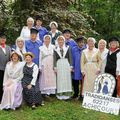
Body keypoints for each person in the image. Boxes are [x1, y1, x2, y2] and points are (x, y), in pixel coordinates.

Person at [54, 35, 72, 100]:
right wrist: (55, 67)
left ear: (64, 41)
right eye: (59, 40)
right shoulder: (55, 48)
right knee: (60, 78)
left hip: (66, 63)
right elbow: (54, 58)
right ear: (57, 41)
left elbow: (70, 57)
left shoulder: (67, 47)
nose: (60, 41)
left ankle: (67, 93)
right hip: (59, 64)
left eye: (62, 40)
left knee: (66, 78)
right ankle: (60, 93)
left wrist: (71, 66)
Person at [0, 32, 11, 103]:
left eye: (4, 38)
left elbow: (10, 58)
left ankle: (6, 98)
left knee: (7, 84)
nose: (3, 39)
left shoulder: (8, 47)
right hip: (0, 69)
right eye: (1, 38)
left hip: (7, 70)